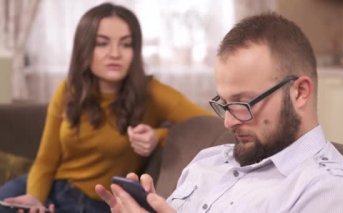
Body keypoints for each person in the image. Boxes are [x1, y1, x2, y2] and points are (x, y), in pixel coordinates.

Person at [95, 12, 343, 212]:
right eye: (225, 104)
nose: (228, 121)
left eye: (243, 104)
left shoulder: (328, 192)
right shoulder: (210, 160)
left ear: (299, 92)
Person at [0, 2, 210, 213]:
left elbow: (212, 126)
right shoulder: (68, 90)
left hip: (102, 202)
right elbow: (46, 160)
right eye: (102, 43)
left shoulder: (153, 93)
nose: (115, 53)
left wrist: (159, 137)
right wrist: (35, 198)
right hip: (54, 188)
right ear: (85, 48)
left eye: (126, 44)